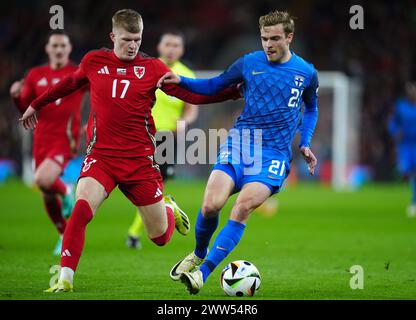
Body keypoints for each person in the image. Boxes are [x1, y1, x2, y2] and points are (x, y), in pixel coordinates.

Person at [19, 9, 241, 293]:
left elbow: (190, 93)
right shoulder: (94, 61)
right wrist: (36, 104)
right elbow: (68, 84)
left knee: (160, 237)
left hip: (139, 162)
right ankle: (65, 278)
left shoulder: (153, 68)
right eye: (127, 39)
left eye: (137, 39)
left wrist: (230, 93)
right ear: (113, 36)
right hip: (101, 157)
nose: (133, 45)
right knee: (81, 209)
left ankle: (168, 209)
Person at [158, 10, 319, 294]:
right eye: (264, 38)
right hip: (240, 144)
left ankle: (203, 273)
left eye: (275, 38)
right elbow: (213, 86)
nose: (268, 44)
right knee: (210, 205)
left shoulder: (306, 72)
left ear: (289, 37)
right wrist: (181, 83)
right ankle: (197, 252)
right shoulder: (249, 63)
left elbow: (311, 109)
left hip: (273, 156)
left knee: (241, 207)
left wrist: (305, 141)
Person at [10, 30, 86, 256]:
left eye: (63, 45)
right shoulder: (35, 74)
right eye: (55, 46)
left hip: (65, 138)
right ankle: (63, 235)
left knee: (42, 179)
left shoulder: (77, 72)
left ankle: (67, 189)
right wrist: (16, 95)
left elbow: (100, 92)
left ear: (69, 48)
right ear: (47, 48)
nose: (59, 49)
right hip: (41, 139)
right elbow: (26, 110)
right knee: (46, 191)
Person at [126, 30, 198, 249]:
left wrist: (185, 120)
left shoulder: (187, 76)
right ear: (159, 46)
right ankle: (161, 212)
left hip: (166, 138)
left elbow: (191, 109)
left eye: (176, 45)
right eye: (168, 44)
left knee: (156, 184)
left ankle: (134, 232)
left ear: (182, 50)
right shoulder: (146, 69)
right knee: (138, 184)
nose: (171, 49)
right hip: (140, 135)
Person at [388, 81, 416, 217]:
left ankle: (414, 201)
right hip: (405, 145)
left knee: (414, 173)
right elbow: (393, 122)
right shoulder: (401, 107)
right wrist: (395, 132)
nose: (411, 93)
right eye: (409, 91)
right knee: (404, 171)